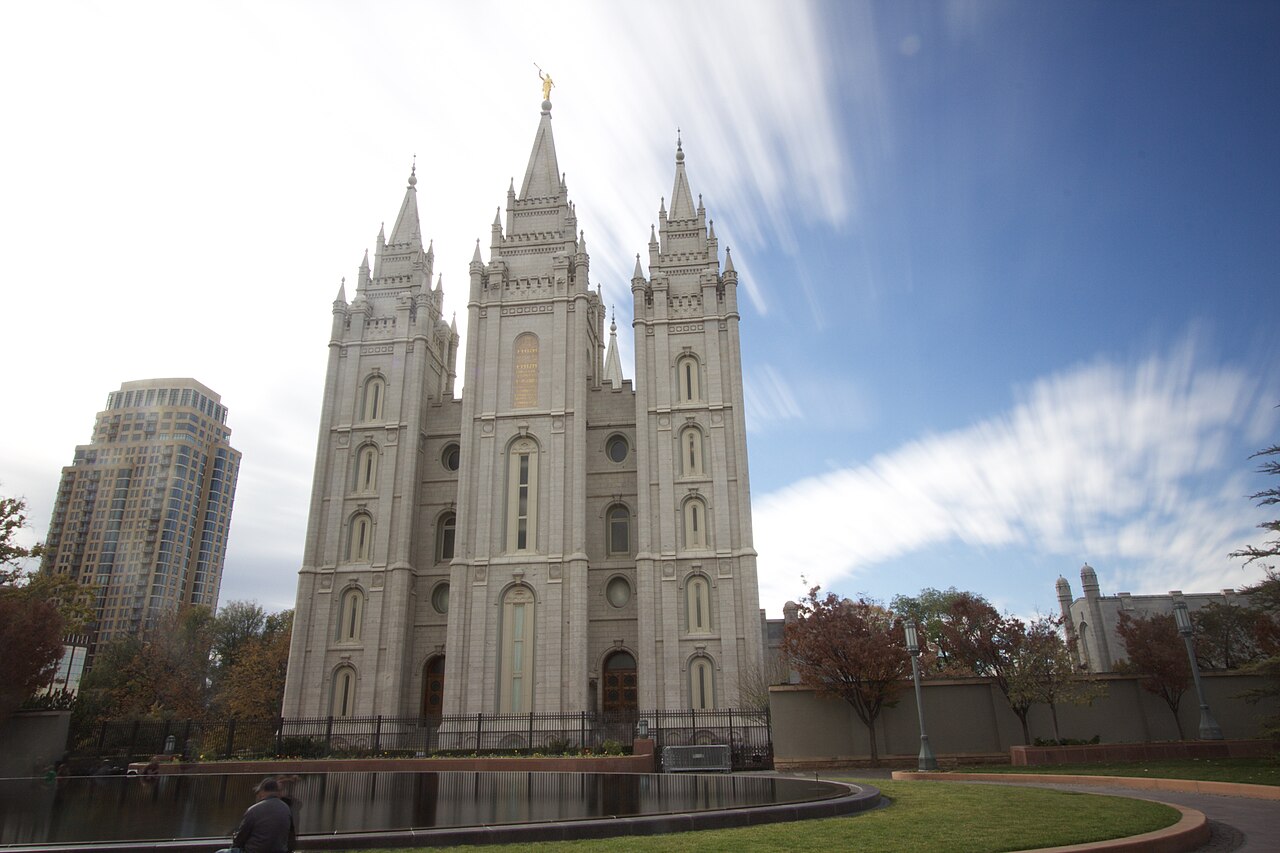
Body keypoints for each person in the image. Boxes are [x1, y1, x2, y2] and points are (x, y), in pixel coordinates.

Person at [216, 777, 295, 853]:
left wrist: (235, 841)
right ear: (277, 792)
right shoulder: (286, 809)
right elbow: (291, 836)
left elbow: (241, 838)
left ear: (262, 791)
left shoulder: (253, 810)